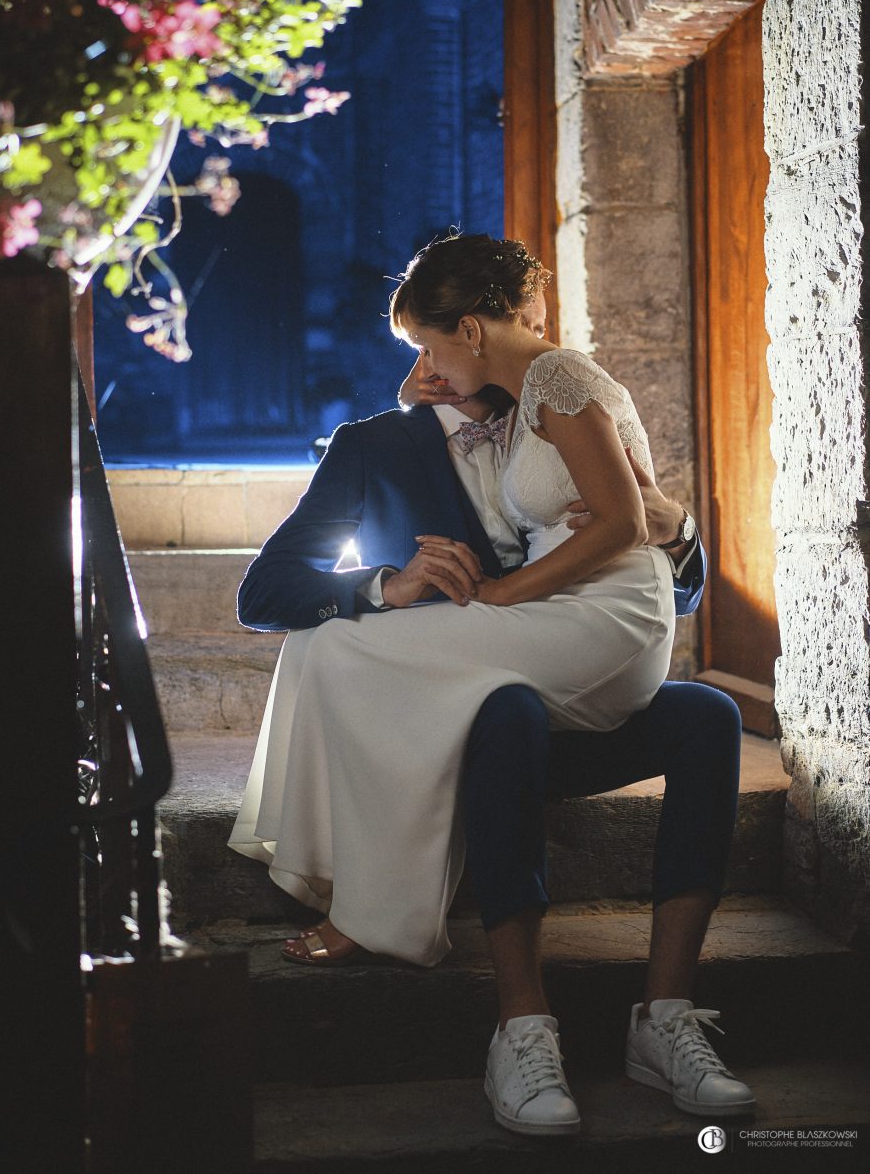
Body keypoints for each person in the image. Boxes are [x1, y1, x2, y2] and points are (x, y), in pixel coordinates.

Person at [230, 234, 752, 1132]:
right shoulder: (374, 446)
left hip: (582, 643)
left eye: (428, 349)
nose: (424, 371)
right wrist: (382, 587)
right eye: (415, 360)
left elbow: (664, 562)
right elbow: (265, 594)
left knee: (706, 715)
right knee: (387, 665)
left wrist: (675, 527)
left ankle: (667, 1017)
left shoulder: (547, 389)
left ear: (465, 330)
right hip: (501, 694)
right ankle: (511, 1017)